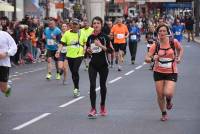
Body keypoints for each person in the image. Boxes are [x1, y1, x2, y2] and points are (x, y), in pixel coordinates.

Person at [145, 24, 184, 121]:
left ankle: (169, 100)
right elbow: (147, 58)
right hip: (158, 71)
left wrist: (179, 57)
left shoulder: (173, 42)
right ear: (157, 33)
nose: (162, 33)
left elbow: (180, 49)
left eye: (164, 31)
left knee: (168, 93)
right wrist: (152, 59)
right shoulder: (156, 45)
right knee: (160, 95)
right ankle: (164, 113)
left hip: (172, 71)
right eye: (160, 31)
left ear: (168, 32)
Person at [86, 16, 113, 118]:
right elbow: (87, 52)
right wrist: (88, 51)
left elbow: (111, 51)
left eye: (98, 23)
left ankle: (102, 106)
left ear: (101, 25)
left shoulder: (105, 37)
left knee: (102, 86)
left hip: (103, 65)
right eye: (94, 23)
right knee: (92, 86)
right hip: (93, 64)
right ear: (92, 25)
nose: (96, 25)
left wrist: (101, 45)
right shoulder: (90, 38)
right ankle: (93, 109)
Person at [58, 18, 87, 97]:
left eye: (76, 24)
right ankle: (76, 87)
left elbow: (85, 42)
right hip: (70, 55)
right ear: (71, 25)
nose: (74, 26)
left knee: (75, 70)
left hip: (79, 55)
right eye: (73, 24)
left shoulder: (82, 33)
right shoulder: (67, 33)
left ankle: (76, 89)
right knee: (73, 73)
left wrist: (84, 47)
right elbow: (62, 43)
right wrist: (58, 51)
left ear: (78, 25)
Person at [0, 30, 17, 97]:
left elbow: (14, 47)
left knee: (3, 89)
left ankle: (7, 88)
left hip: (3, 64)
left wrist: (6, 53)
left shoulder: (5, 35)